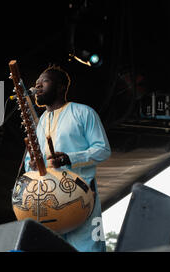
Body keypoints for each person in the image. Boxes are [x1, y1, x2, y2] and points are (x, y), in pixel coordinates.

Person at [24, 64, 111, 252]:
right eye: (36, 83)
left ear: (61, 86)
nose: (37, 87)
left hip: (82, 196)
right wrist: (31, 165)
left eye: (44, 82)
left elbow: (103, 150)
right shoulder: (40, 124)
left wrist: (69, 159)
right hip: (50, 199)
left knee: (88, 248)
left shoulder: (83, 112)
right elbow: (28, 161)